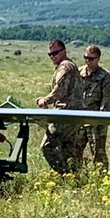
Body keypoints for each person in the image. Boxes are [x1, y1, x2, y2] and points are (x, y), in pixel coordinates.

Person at [36, 39, 84, 173]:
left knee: (48, 146)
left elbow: (60, 90)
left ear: (64, 51)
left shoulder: (65, 67)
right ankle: (74, 179)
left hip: (65, 114)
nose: (53, 56)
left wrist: (45, 100)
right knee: (67, 150)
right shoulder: (70, 66)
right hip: (74, 115)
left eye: (55, 53)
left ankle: (65, 175)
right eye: (50, 54)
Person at [76, 45, 110, 170]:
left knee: (98, 153)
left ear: (98, 59)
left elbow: (108, 101)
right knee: (74, 150)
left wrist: (99, 119)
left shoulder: (104, 77)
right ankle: (74, 175)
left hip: (96, 122)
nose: (88, 61)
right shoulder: (79, 73)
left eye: (91, 59)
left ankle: (102, 178)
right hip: (79, 120)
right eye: (86, 58)